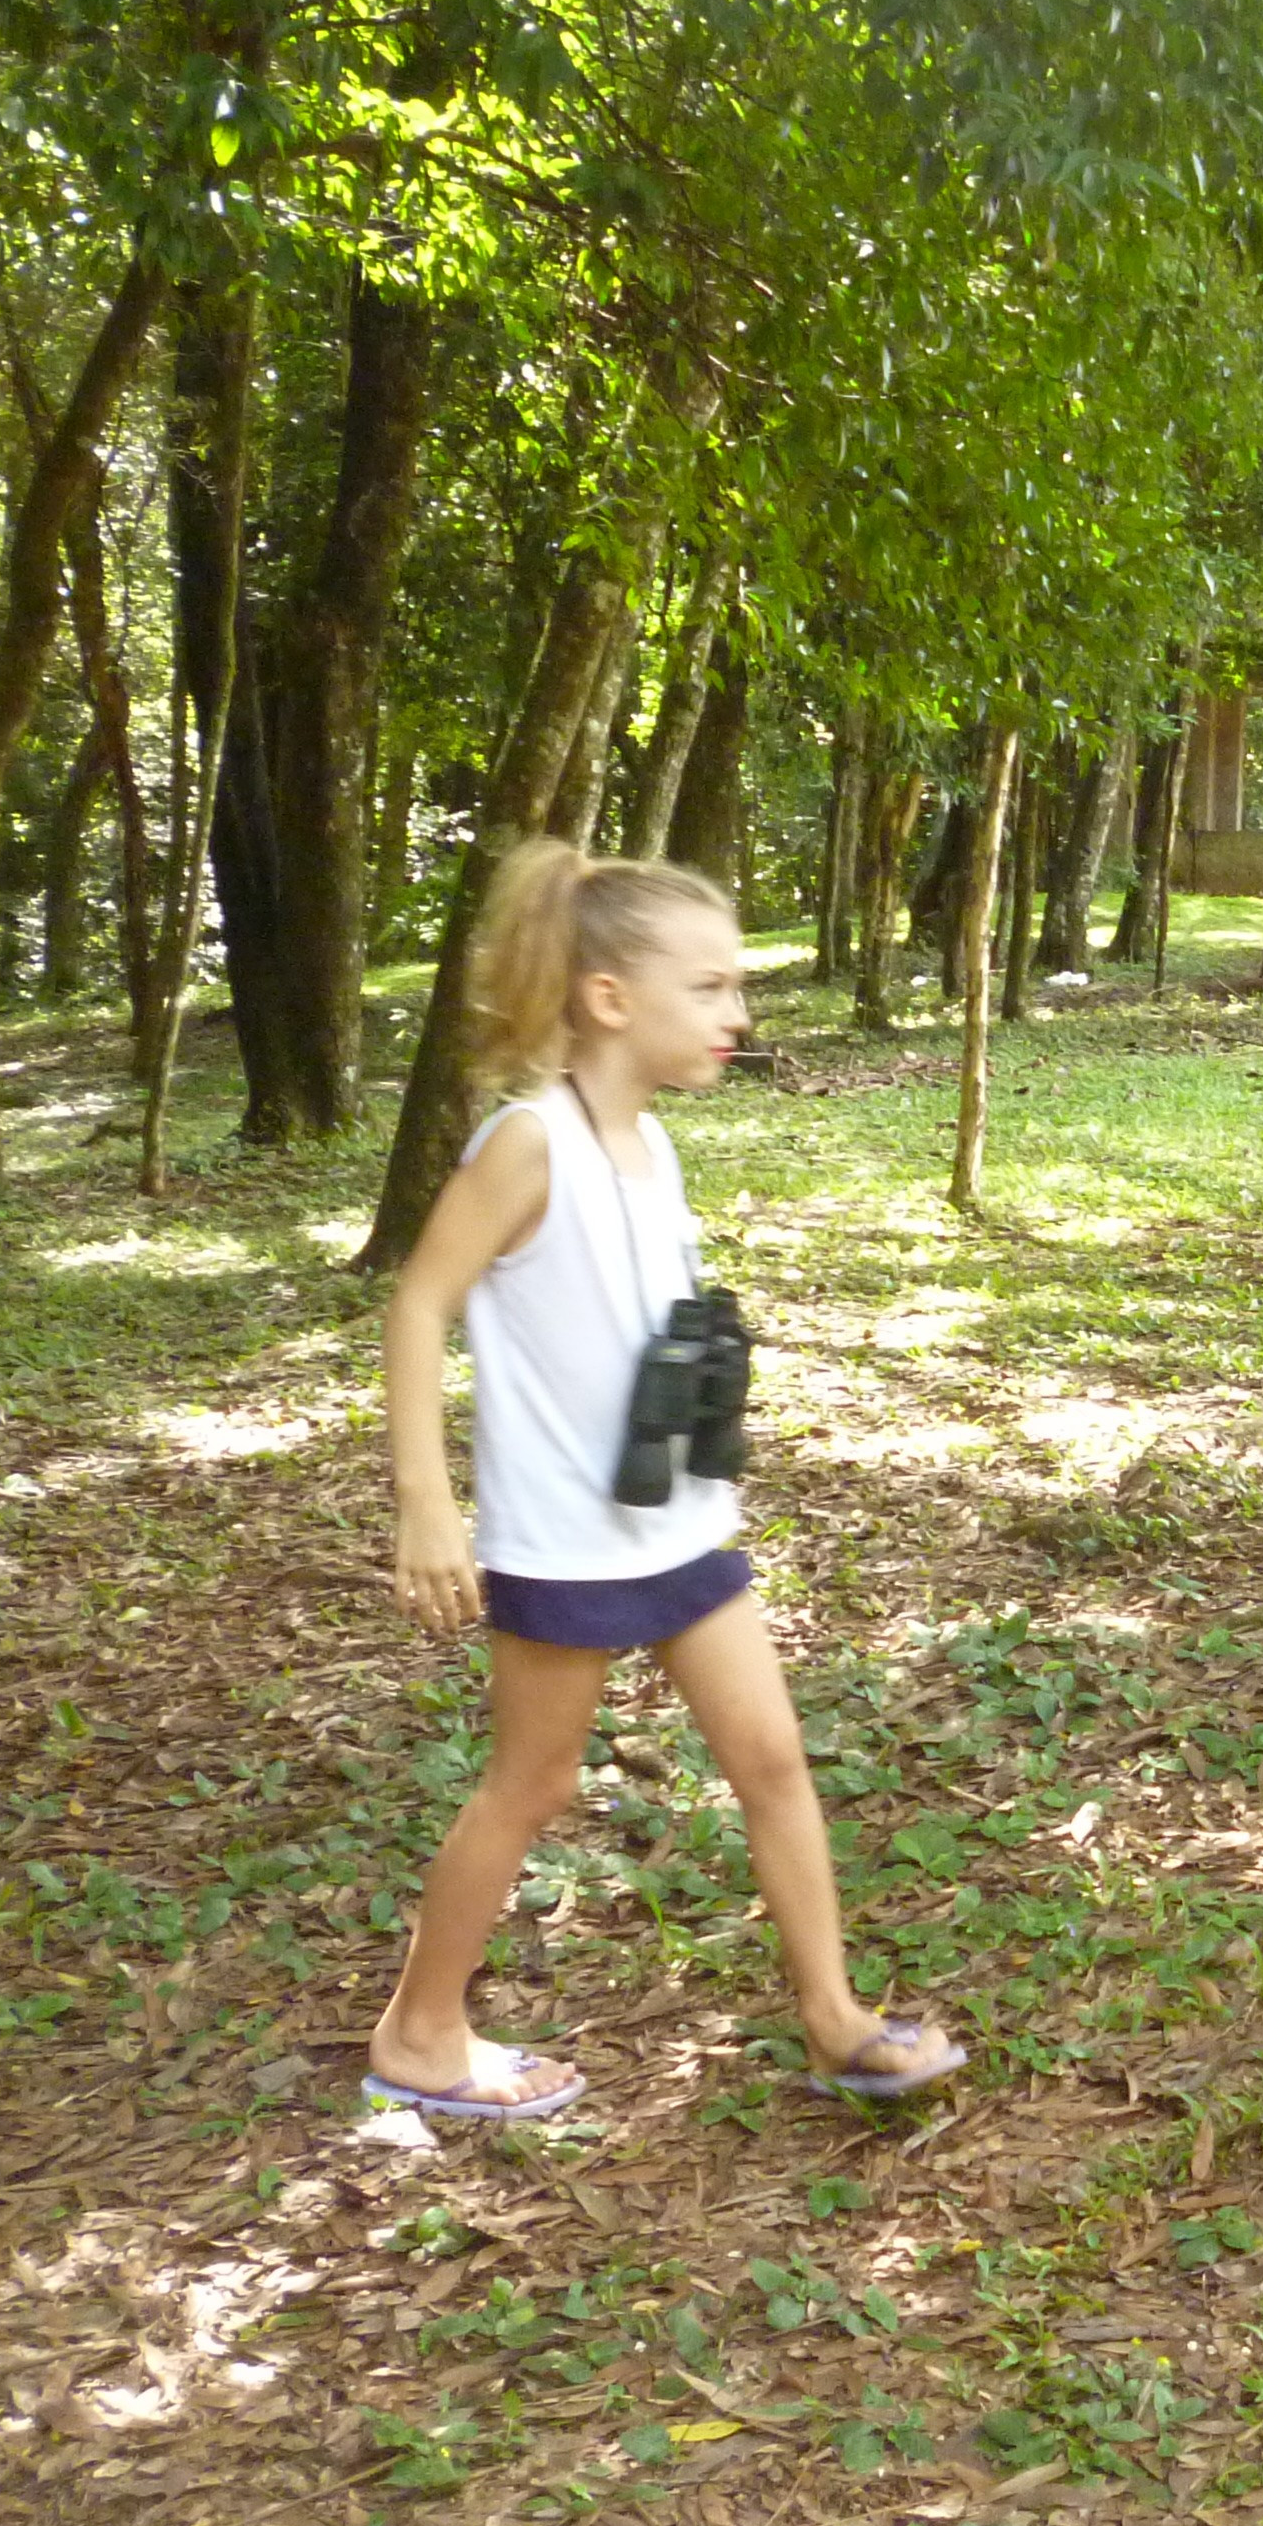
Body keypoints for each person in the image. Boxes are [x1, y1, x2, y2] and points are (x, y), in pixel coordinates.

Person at [369, 840, 962, 2120]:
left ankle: (834, 2020)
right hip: (565, 1543)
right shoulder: (530, 1142)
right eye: (709, 987)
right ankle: (419, 2032)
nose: (736, 1013)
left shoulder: (649, 1144)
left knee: (775, 1761)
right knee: (532, 1787)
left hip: (684, 1525)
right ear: (609, 998)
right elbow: (418, 1302)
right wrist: (427, 1502)